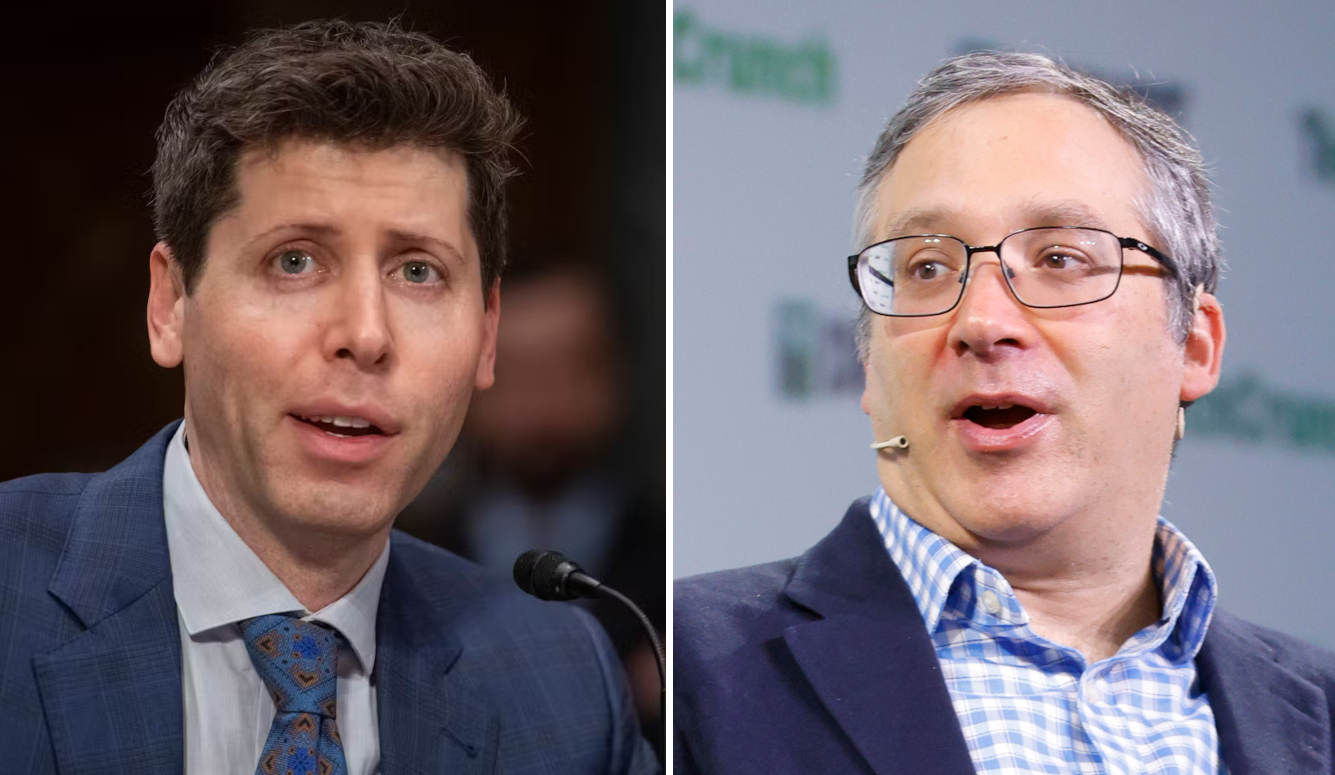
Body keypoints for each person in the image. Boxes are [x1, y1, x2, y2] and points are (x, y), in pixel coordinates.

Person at [0, 20, 657, 775]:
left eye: (417, 272)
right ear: (170, 303)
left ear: (484, 335)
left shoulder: (562, 684)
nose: (366, 334)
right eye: (295, 260)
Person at [673, 51, 1335, 774]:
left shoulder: (1316, 711)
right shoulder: (674, 665)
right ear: (868, 362)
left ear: (1195, 346)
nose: (982, 320)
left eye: (1059, 259)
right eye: (926, 268)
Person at [396, 257, 668, 752]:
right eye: (516, 371)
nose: (544, 401)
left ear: (619, 374)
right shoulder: (400, 562)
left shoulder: (679, 567)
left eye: (572, 366)